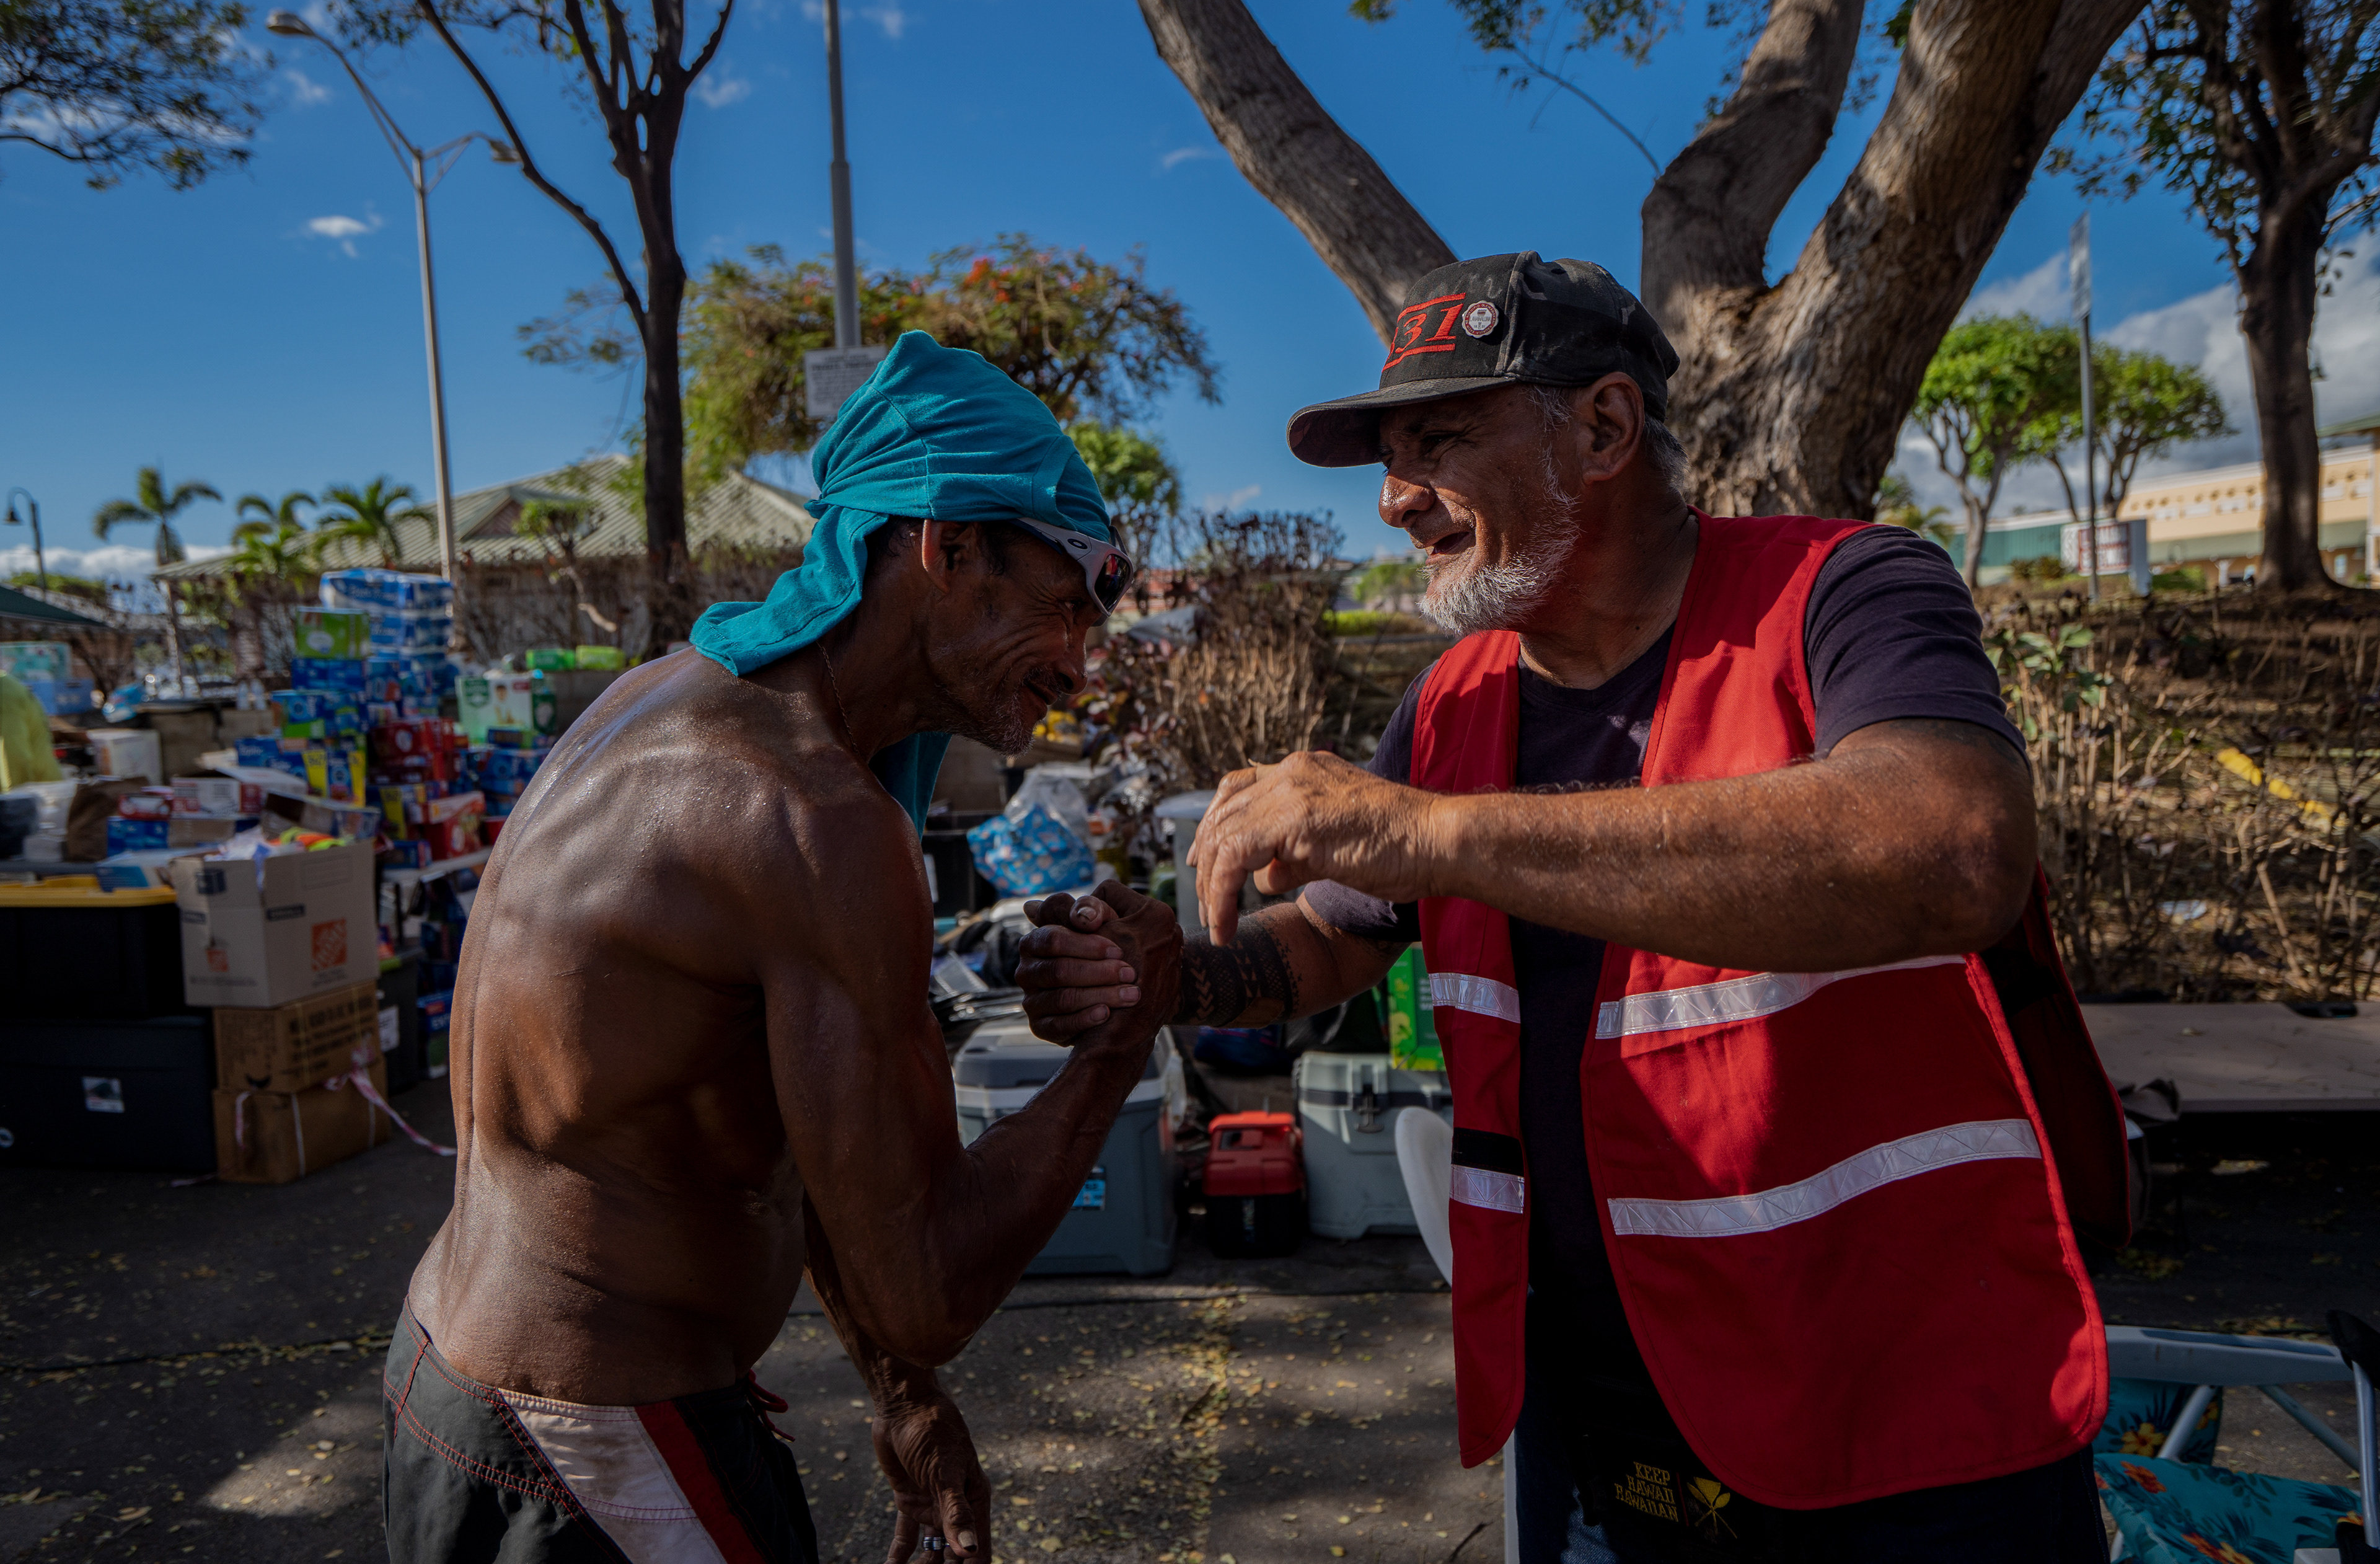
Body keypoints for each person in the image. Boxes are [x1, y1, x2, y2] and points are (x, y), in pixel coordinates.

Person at [1019, 255, 2130, 1562]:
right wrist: (1181, 978)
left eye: (1436, 440)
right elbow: (1339, 928)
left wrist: (1435, 830)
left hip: (1898, 1425)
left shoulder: (1844, 591)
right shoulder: (1452, 702)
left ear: (1603, 427)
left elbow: (1951, 848)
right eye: (1386, 455)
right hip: (1592, 1422)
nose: (1391, 499)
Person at [384, 332, 1181, 1564]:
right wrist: (1126, 1034)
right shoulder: (808, 816)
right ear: (945, 544)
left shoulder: (671, 699)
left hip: (457, 1374)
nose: (1081, 659)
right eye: (1070, 596)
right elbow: (927, 1278)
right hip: (597, 1437)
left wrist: (898, 1388)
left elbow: (796, 1124)